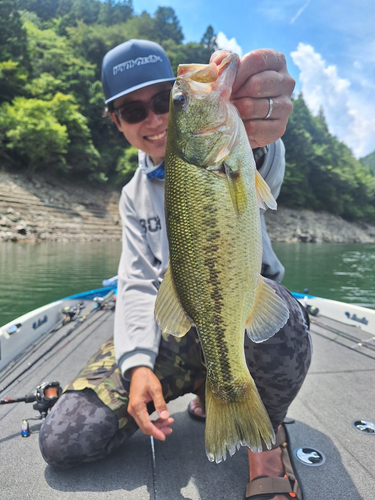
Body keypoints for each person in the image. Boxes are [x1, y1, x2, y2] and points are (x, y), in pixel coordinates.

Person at [39, 39, 312, 500]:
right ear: (115, 120)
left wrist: (259, 127)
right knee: (64, 437)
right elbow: (138, 283)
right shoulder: (132, 195)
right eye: (132, 110)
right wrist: (138, 364)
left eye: (165, 100)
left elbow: (263, 160)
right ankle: (212, 385)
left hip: (241, 316)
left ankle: (264, 440)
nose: (154, 118)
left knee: (281, 325)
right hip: (176, 327)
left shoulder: (234, 146)